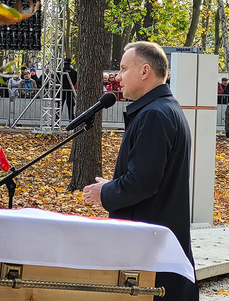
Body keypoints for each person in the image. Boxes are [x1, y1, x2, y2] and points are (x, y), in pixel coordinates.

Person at [82, 41, 199, 301]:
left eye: (124, 68)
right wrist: (113, 185)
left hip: (150, 251)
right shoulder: (163, 109)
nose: (117, 76)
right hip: (156, 242)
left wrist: (105, 193)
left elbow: (143, 183)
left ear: (145, 71)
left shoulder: (154, 115)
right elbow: (149, 174)